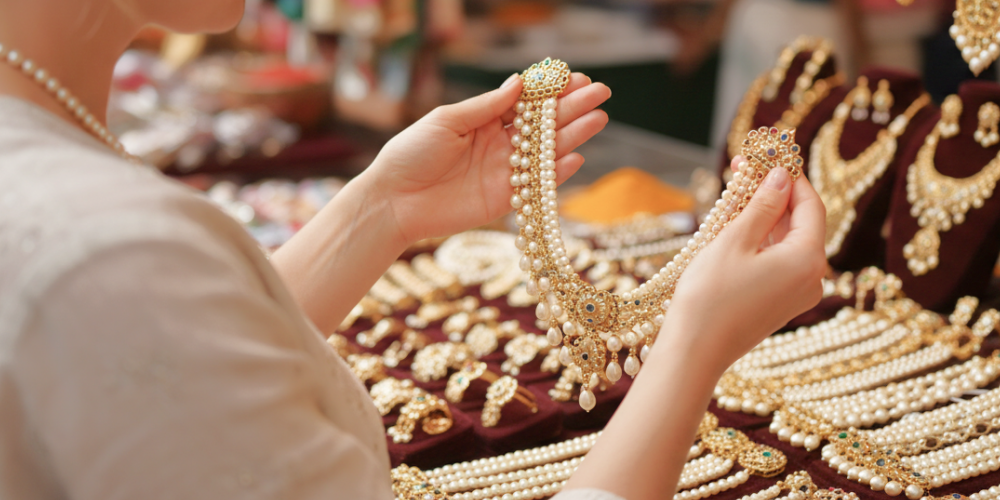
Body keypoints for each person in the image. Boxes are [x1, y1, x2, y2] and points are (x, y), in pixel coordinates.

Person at [0, 1, 827, 499]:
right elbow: (127, 300)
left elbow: (166, 360)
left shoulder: (67, 178)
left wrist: (382, 211)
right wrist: (690, 350)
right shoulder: (102, 247)